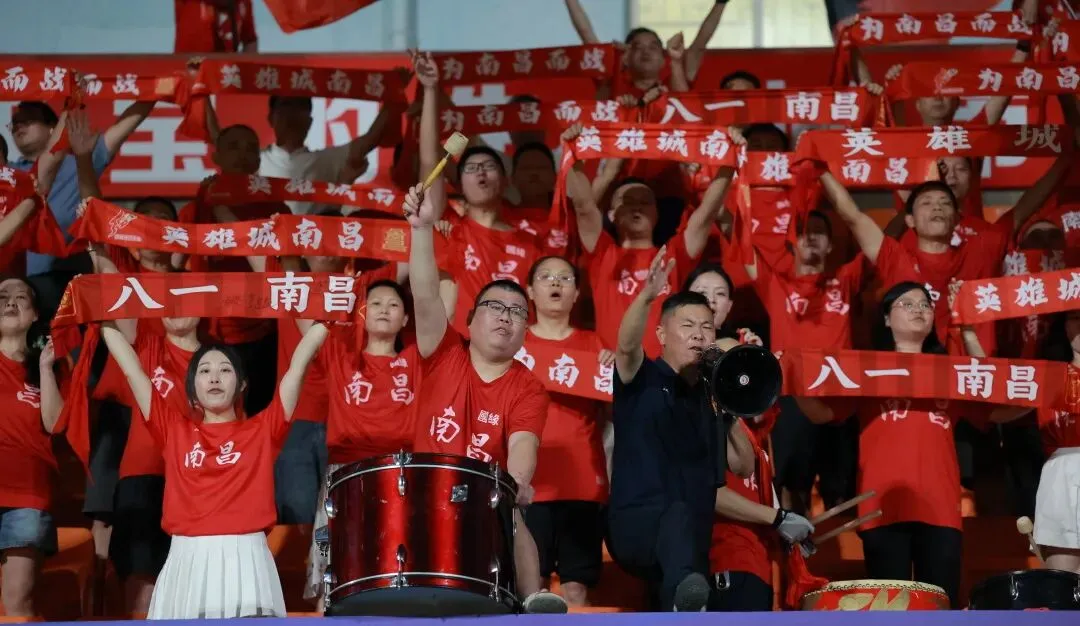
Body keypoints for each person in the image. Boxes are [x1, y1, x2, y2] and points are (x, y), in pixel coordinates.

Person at [401, 179, 567, 614]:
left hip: (485, 498)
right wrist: (421, 229)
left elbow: (523, 445)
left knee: (510, 510)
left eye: (517, 312)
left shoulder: (528, 387)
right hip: (424, 492)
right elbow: (424, 292)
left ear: (525, 330)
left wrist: (514, 484)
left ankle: (532, 600)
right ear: (470, 319)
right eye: (495, 307)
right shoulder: (442, 352)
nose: (506, 317)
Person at [100, 317, 328, 619]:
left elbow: (297, 368)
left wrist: (326, 321)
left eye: (225, 370)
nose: (215, 378)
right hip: (187, 560)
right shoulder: (173, 430)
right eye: (205, 371)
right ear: (192, 388)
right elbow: (132, 370)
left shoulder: (263, 430)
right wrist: (99, 314)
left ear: (242, 384)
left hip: (246, 559)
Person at [794, 282, 989, 608]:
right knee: (890, 612)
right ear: (886, 318)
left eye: (925, 304)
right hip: (882, 508)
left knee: (939, 610)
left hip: (941, 509)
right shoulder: (866, 369)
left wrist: (968, 332)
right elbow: (821, 413)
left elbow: (993, 390)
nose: (918, 309)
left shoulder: (950, 371)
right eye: (906, 303)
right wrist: (792, 380)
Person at [606, 248, 756, 612]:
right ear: (661, 334)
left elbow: (744, 466)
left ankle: (684, 605)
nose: (698, 335)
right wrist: (647, 296)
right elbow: (625, 346)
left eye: (706, 327)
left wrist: (728, 405)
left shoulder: (710, 393)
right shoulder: (641, 376)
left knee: (685, 591)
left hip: (690, 541)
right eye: (687, 326)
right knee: (677, 519)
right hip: (637, 523)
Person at [684, 263, 813, 611]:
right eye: (701, 293)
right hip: (720, 552)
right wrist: (777, 518)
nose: (711, 301)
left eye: (720, 294)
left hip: (754, 552)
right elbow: (707, 492)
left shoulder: (743, 427)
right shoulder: (687, 395)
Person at [302, 270, 419, 605]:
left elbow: (442, 303)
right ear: (361, 314)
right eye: (375, 303)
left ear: (405, 318)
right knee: (333, 571)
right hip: (344, 475)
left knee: (395, 570)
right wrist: (343, 293)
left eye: (393, 305)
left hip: (399, 476)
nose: (383, 309)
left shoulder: (418, 360)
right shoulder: (339, 356)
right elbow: (306, 319)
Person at [8, 100, 154, 317]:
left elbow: (125, 125)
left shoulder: (80, 157)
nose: (19, 126)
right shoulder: (9, 174)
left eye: (28, 120)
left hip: (73, 276)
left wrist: (157, 92)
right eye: (15, 124)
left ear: (53, 127)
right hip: (19, 287)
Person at [521, 256, 610, 607]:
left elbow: (613, 413)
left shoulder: (593, 344)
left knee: (576, 588)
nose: (556, 283)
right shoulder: (515, 345)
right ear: (530, 291)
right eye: (546, 277)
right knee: (533, 586)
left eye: (565, 278)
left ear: (576, 294)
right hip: (529, 480)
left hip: (581, 481)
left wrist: (614, 371)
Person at [961, 312, 1080, 575]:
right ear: (1065, 326)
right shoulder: (1047, 377)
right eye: (1075, 317)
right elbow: (993, 387)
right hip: (1061, 477)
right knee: (1063, 580)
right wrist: (969, 332)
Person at [0, 277, 63, 617]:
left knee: (17, 602)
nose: (10, 302)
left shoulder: (49, 367)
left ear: (35, 313)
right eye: (2, 296)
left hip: (27, 496)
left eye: (21, 297)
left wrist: (45, 368)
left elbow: (54, 424)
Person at [259, 96, 392, 215]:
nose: (293, 113)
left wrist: (393, 99)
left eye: (301, 106)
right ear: (271, 118)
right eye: (286, 105)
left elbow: (369, 140)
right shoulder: (256, 160)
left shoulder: (327, 160)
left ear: (310, 122)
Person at [174, 0, 257, 53]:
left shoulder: (243, 3)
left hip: (225, 72)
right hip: (188, 70)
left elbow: (250, 40)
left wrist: (246, 69)